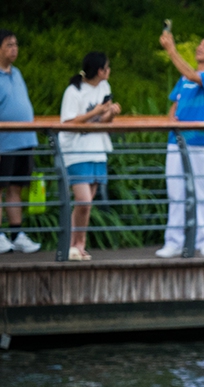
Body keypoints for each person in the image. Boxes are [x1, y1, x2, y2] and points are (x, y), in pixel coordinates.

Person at [157, 30, 204, 258]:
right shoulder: (183, 79)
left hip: (201, 143)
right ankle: (173, 242)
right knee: (175, 193)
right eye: (200, 44)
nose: (199, 48)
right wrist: (171, 122)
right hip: (176, 142)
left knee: (202, 192)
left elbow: (192, 75)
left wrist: (171, 50)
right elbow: (174, 104)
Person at [58, 52, 121, 261]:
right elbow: (68, 122)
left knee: (87, 204)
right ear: (100, 71)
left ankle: (79, 245)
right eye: (107, 67)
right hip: (77, 150)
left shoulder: (105, 87)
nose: (109, 71)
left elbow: (103, 121)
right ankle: (70, 244)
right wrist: (96, 111)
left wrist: (111, 113)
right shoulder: (74, 91)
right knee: (83, 200)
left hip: (97, 148)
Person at [0, 29, 40, 254]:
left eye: (15, 45)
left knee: (16, 188)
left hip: (23, 139)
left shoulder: (17, 73)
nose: (14, 49)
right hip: (3, 141)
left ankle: (16, 234)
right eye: (9, 45)